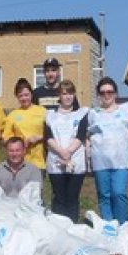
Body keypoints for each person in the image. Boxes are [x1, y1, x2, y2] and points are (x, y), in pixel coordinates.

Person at [87, 77, 128, 223]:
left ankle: (121, 225)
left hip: (121, 162)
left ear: (115, 93)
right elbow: (87, 138)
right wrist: (88, 160)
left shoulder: (127, 110)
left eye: (110, 92)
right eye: (102, 92)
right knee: (104, 195)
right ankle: (108, 226)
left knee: (119, 193)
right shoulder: (93, 114)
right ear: (98, 95)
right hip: (100, 162)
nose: (106, 95)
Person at [45, 80, 89, 222]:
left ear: (74, 94)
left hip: (75, 162)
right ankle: (58, 229)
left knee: (72, 198)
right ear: (59, 95)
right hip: (56, 163)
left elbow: (81, 135)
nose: (68, 96)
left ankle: (72, 228)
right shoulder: (49, 115)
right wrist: (61, 152)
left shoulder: (82, 114)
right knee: (59, 198)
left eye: (70, 93)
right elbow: (48, 136)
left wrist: (68, 152)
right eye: (64, 93)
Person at [3, 78, 47, 172]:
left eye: (26, 95)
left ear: (31, 94)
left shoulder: (42, 111)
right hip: (18, 163)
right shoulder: (12, 115)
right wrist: (20, 143)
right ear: (17, 97)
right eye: (21, 96)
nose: (24, 98)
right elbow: (6, 139)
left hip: (38, 162)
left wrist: (39, 137)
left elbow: (51, 134)